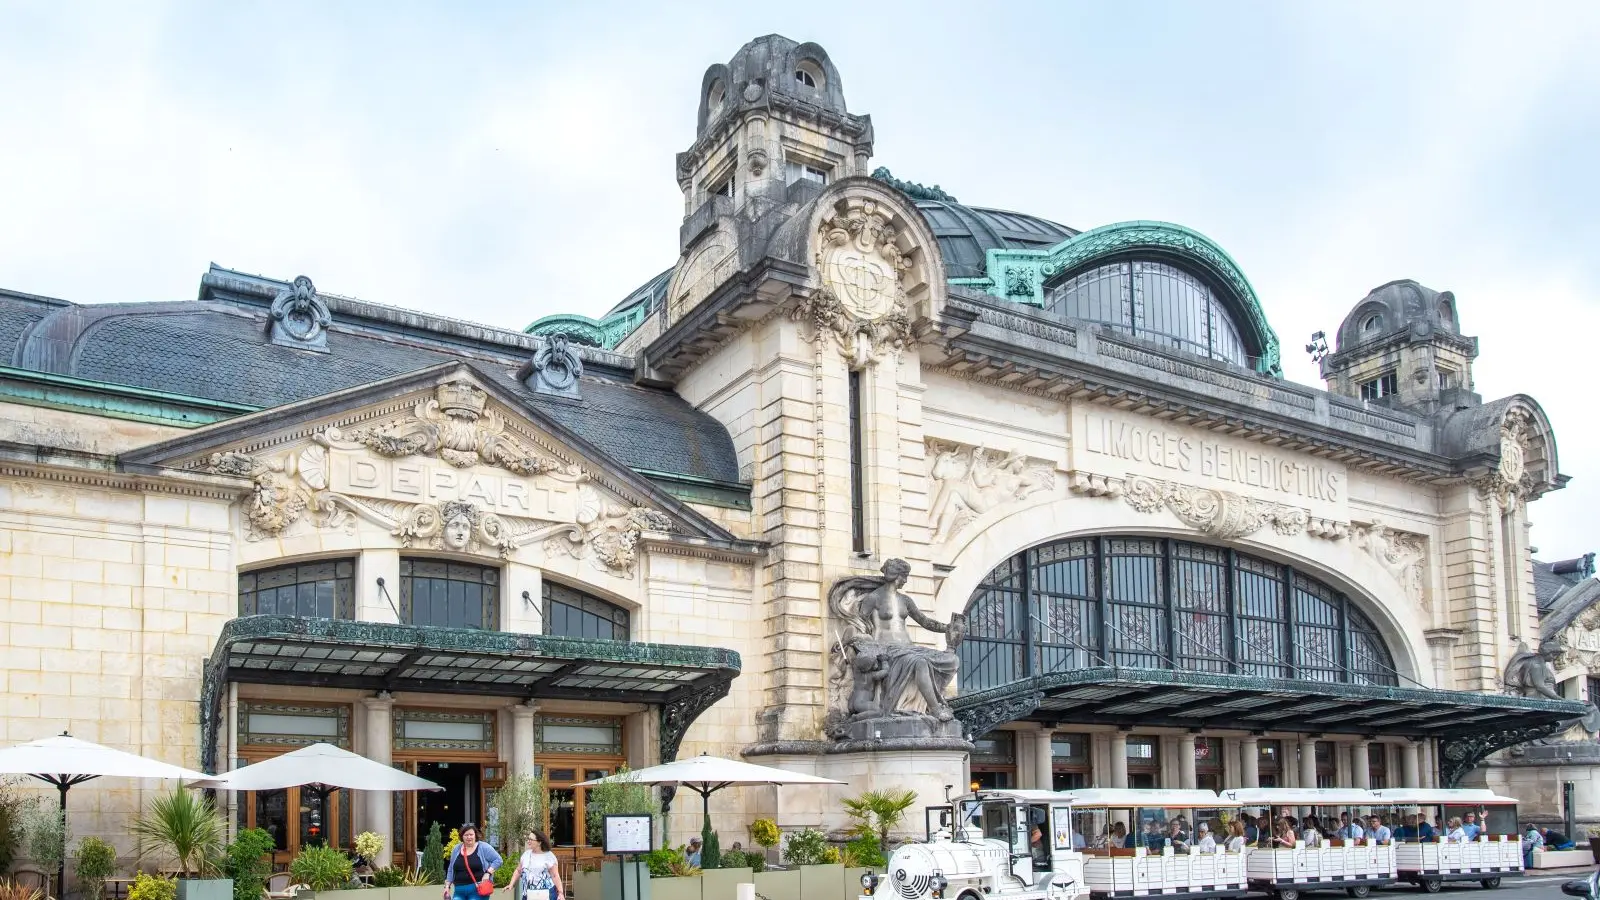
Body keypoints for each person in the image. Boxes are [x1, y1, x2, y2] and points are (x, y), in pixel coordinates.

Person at [443, 823, 502, 900]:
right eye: (466, 835)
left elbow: (498, 860)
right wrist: (447, 886)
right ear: (462, 837)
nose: (469, 837)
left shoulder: (483, 847)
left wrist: (488, 873)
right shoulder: (456, 849)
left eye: (471, 834)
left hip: (478, 889)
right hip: (459, 890)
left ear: (475, 835)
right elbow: (451, 869)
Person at [509, 831, 564, 900]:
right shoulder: (526, 854)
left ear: (539, 842)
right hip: (527, 894)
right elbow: (518, 870)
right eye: (528, 839)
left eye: (531, 839)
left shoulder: (549, 856)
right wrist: (511, 884)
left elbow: (555, 875)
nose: (528, 841)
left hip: (546, 895)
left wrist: (560, 893)